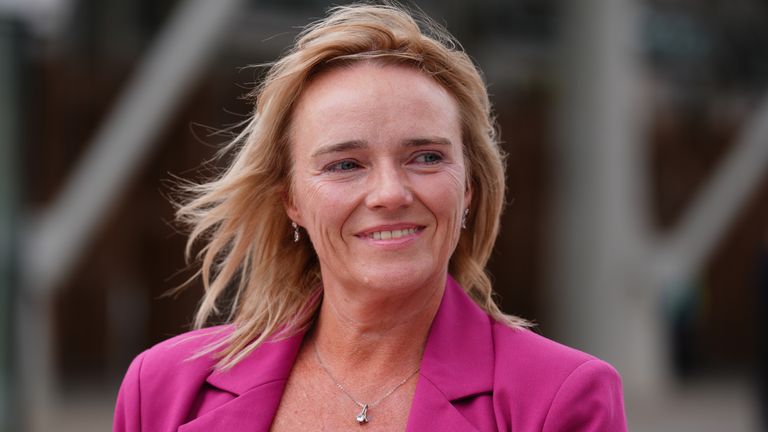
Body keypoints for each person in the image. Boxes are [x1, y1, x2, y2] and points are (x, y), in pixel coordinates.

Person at [114, 3, 627, 431]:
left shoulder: (561, 396)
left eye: (426, 157)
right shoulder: (163, 388)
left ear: (469, 187)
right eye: (345, 164)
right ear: (292, 200)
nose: (389, 193)